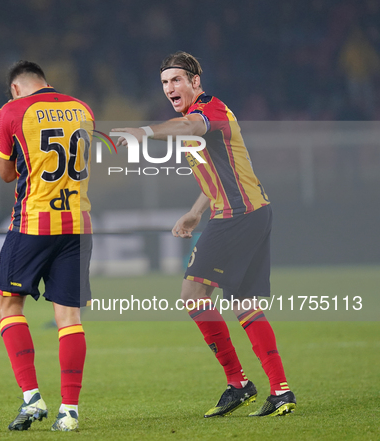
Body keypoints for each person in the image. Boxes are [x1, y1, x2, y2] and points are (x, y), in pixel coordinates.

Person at [113, 52, 296, 417]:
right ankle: (281, 391)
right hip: (251, 212)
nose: (170, 88)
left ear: (196, 82)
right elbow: (214, 172)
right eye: (165, 83)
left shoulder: (209, 110)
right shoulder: (195, 118)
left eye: (177, 80)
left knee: (192, 294)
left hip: (237, 215)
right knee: (244, 304)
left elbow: (190, 128)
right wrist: (196, 212)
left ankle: (238, 383)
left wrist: (145, 132)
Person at [0, 60, 94, 431]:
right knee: (69, 318)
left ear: (16, 88)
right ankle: (69, 413)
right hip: (78, 224)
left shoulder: (12, 110)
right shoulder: (83, 109)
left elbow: (6, 173)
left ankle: (32, 399)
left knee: (8, 304)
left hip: (33, 222)